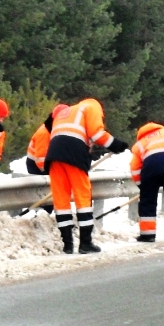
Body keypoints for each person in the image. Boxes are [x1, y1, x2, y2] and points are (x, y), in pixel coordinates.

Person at [44, 97, 130, 254]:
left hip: (54, 154)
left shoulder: (67, 111)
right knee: (82, 197)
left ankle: (67, 245)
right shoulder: (92, 107)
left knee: (61, 199)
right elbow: (96, 134)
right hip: (73, 152)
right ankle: (85, 243)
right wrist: (116, 145)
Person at [26, 104, 69, 176]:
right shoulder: (44, 133)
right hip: (36, 168)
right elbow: (40, 159)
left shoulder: (54, 129)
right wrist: (50, 173)